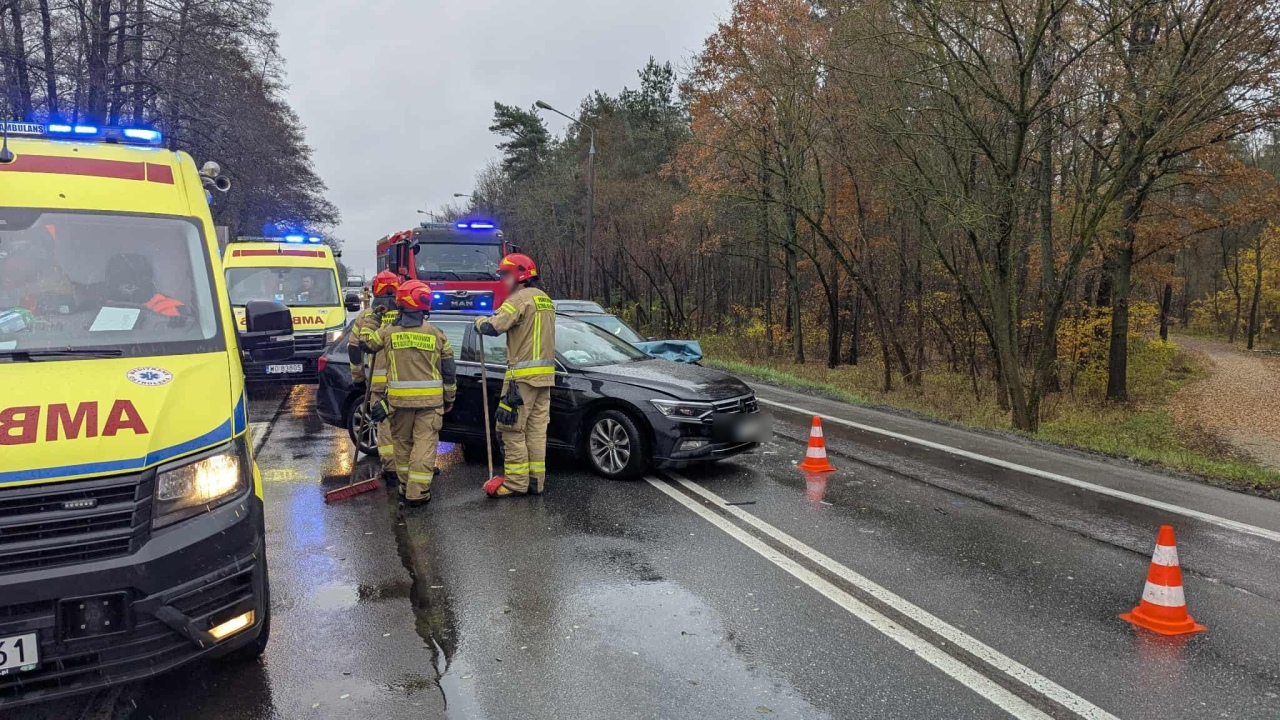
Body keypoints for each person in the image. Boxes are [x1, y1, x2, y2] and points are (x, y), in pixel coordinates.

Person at [359, 279, 456, 505]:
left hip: (398, 403)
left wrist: (373, 317)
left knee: (401, 445)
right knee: (424, 445)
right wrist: (449, 397)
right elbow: (449, 371)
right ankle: (418, 493)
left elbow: (365, 344)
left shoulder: (388, 332)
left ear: (401, 303)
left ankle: (405, 486)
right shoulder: (436, 334)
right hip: (430, 404)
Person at [472, 253, 556, 498]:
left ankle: (516, 483)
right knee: (536, 431)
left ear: (519, 276)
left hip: (521, 379)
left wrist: (479, 321)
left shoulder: (519, 299)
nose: (503, 281)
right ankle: (535, 482)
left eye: (505, 275)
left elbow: (493, 327)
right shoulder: (545, 300)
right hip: (545, 378)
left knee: (511, 430)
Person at [351, 271, 401, 480]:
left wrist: (358, 377)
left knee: (385, 426)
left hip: (378, 384)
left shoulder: (367, 316)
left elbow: (354, 349)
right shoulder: (406, 313)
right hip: (405, 382)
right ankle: (413, 466)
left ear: (374, 291)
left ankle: (390, 470)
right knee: (408, 427)